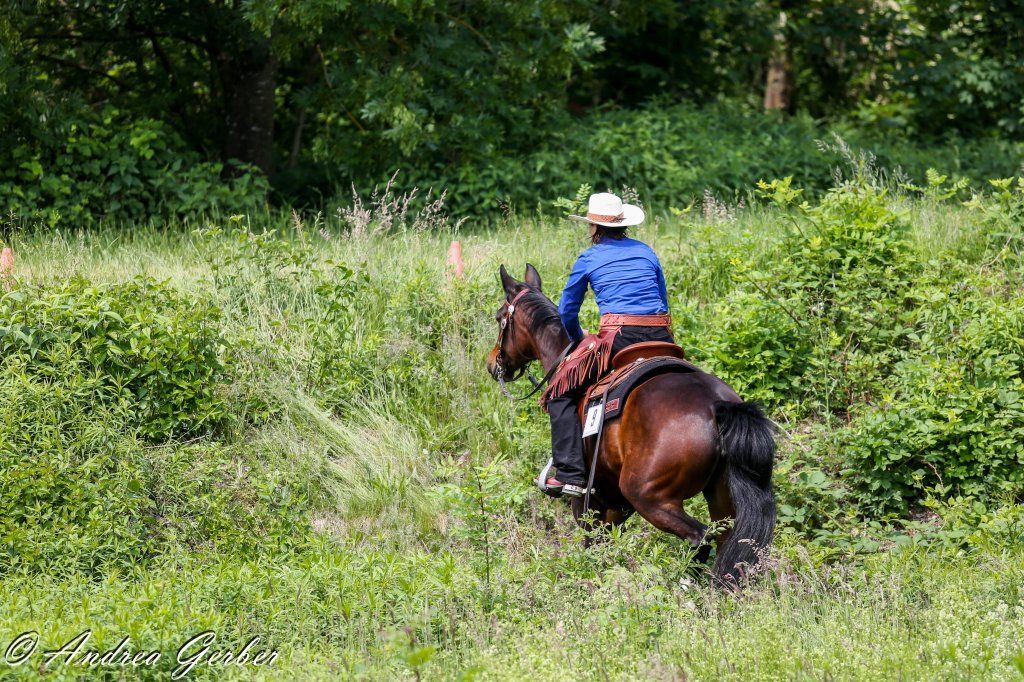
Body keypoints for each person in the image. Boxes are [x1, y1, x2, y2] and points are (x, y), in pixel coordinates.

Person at [540, 192, 674, 498]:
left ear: (593, 228)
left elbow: (566, 312)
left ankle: (571, 474)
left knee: (560, 392)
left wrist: (578, 338)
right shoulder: (647, 252)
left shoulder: (589, 258)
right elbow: (663, 302)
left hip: (619, 339)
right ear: (623, 224)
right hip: (661, 337)